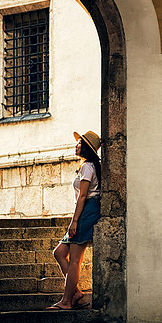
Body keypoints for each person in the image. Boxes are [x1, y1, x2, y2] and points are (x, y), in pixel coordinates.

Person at [47, 130, 101, 310]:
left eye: (80, 143)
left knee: (76, 260)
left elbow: (83, 195)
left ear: (87, 148)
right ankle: (75, 292)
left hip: (87, 211)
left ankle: (67, 301)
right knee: (59, 252)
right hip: (85, 210)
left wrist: (75, 220)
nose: (76, 145)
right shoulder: (87, 166)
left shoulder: (88, 167)